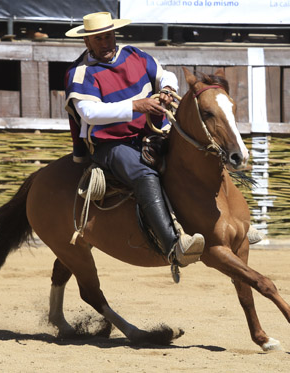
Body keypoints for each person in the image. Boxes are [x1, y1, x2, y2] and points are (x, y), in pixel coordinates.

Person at [63, 12, 204, 267]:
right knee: (144, 174)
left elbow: (165, 74)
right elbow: (89, 112)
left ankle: (228, 223)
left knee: (200, 148)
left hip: (151, 133)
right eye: (99, 38)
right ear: (87, 42)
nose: (106, 42)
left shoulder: (135, 54)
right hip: (111, 144)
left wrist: (168, 89)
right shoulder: (81, 73)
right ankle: (173, 246)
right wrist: (137, 105)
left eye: (109, 36)